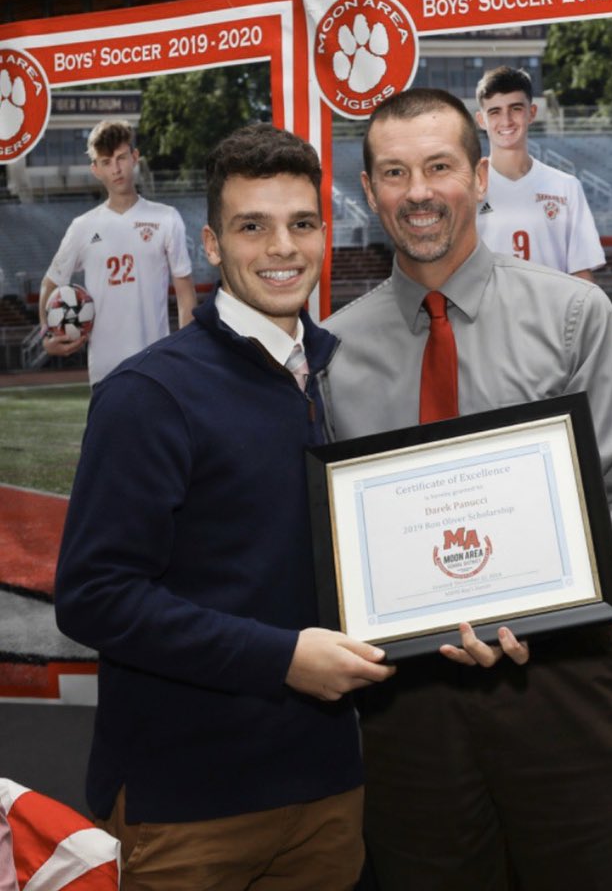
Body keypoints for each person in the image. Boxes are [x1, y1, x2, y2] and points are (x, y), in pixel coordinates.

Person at [322, 88, 612, 890]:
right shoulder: (331, 352)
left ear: (480, 177)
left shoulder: (572, 314)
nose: (418, 192)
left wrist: (536, 606)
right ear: (369, 191)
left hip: (561, 681)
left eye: (439, 167)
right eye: (395, 173)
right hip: (408, 711)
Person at [54, 123, 394, 890]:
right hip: (190, 805)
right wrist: (281, 660)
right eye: (253, 227)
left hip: (328, 783)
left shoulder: (334, 375)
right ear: (211, 245)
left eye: (301, 223)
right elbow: (94, 595)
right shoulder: (150, 393)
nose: (282, 247)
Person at [38, 119, 197, 385]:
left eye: (121, 158)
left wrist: (189, 351)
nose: (116, 169)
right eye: (106, 162)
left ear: (134, 157)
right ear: (95, 169)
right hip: (105, 372)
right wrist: (46, 334)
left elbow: (185, 293)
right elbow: (50, 283)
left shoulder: (166, 218)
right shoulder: (82, 227)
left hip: (156, 367)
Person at [475, 65, 605, 281]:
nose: (506, 120)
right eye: (495, 111)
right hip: (490, 304)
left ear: (532, 113)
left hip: (553, 303)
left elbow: (581, 273)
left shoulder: (565, 186)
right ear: (481, 120)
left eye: (516, 108)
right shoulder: (467, 189)